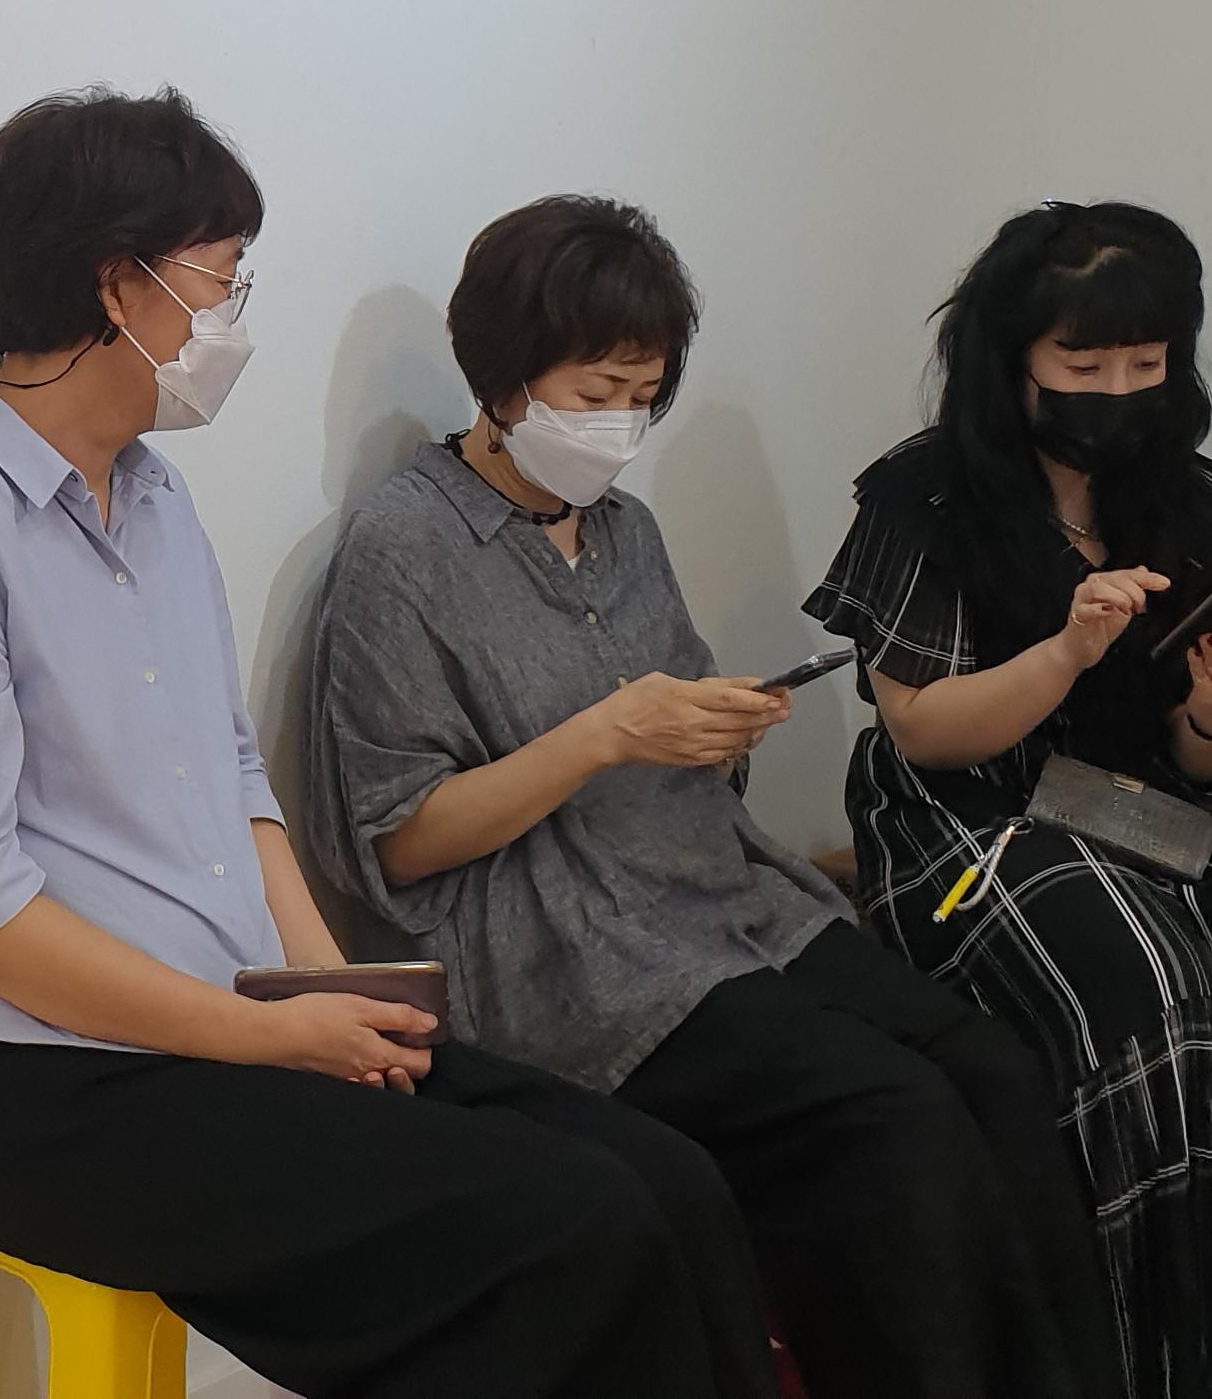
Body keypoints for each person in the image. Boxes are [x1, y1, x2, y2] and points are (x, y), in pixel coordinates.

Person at [0, 91, 777, 1399]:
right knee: (570, 1232)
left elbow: (233, 779)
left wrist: (323, 992)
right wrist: (265, 1039)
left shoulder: (153, 498)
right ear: (119, 287)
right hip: (30, 1079)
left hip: (225, 1016)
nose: (233, 320)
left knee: (669, 1180)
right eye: (221, 282)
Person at [295, 195, 1124, 1399]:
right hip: (572, 959)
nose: (619, 426)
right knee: (889, 1114)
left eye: (642, 396)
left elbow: (673, 731)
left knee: (992, 1069)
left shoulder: (624, 532)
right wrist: (603, 735)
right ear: (504, 376)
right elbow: (402, 841)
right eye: (594, 393)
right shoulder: (405, 548)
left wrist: (717, 730)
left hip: (724, 903)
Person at [805, 201, 1212, 1399]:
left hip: (1140, 797)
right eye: (1083, 366)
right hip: (976, 817)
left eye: (1146, 364)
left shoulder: (1197, 503)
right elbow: (923, 728)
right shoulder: (924, 500)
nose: (1118, 392)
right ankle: (1172, 1364)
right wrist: (1066, 653)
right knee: (1157, 991)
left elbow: (1204, 761)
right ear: (1012, 360)